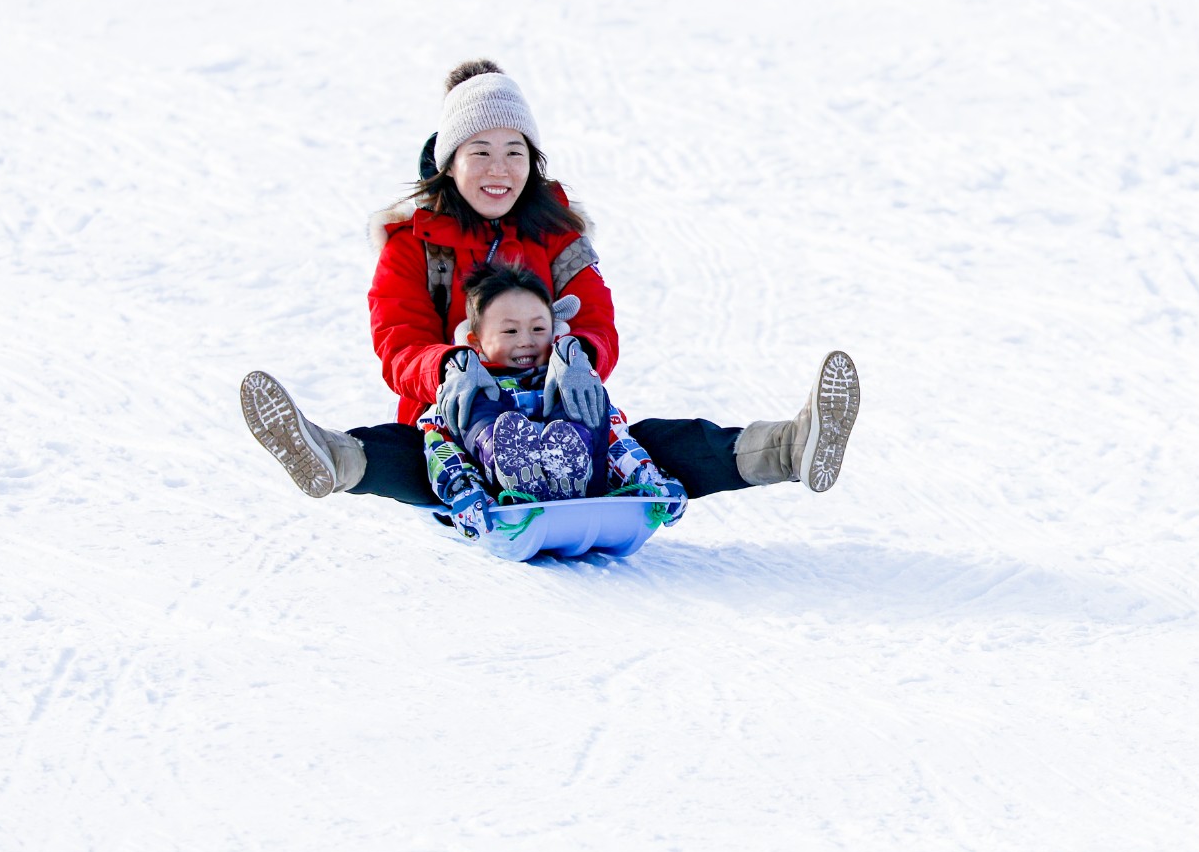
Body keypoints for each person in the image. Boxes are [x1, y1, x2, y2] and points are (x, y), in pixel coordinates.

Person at [239, 59, 859, 509]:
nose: (498, 169)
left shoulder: (558, 233)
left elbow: (595, 316)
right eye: (479, 151)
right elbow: (396, 340)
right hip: (459, 421)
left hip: (561, 418)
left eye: (514, 151)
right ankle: (331, 457)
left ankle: (789, 447)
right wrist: (449, 368)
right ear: (449, 162)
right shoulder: (412, 246)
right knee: (415, 453)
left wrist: (579, 358)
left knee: (658, 444)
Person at [416, 260, 687, 538]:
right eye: (510, 331)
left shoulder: (567, 380)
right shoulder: (464, 385)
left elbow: (615, 436)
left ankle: (568, 473)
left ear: (555, 330)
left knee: (588, 397)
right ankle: (514, 474)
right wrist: (463, 488)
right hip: (499, 495)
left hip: (585, 486)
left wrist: (646, 476)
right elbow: (438, 443)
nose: (526, 341)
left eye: (537, 329)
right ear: (475, 341)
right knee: (464, 405)